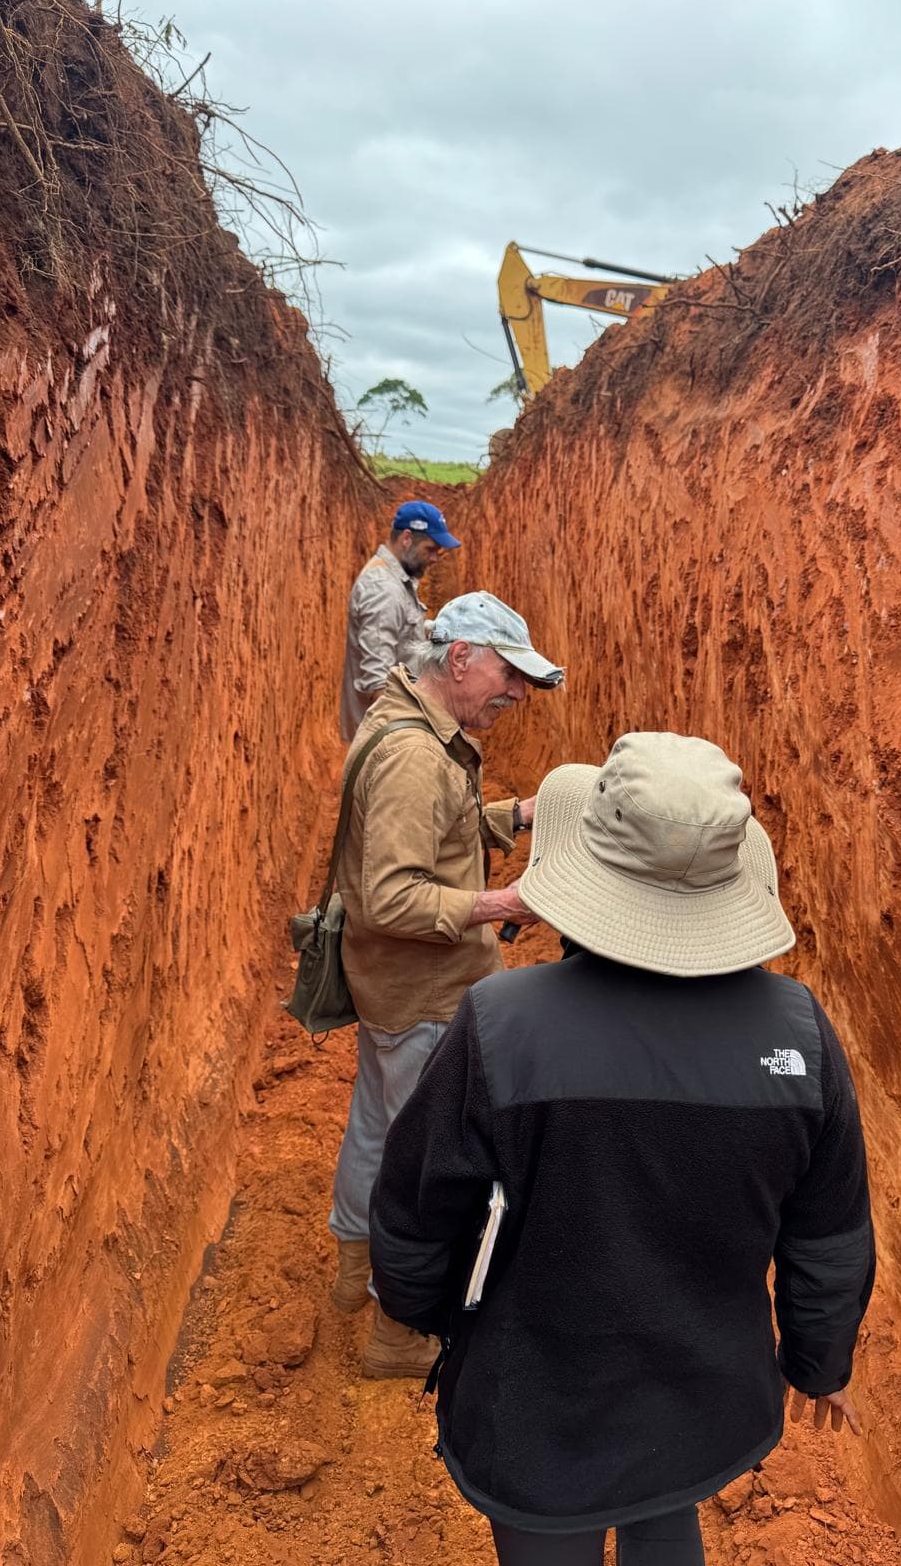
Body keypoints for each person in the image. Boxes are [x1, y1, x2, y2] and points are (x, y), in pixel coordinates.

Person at [370, 732, 875, 1564]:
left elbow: (417, 1211)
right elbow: (829, 1234)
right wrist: (819, 1362)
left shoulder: (502, 1026)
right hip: (702, 1406)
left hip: (535, 1414)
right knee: (665, 1511)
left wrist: (426, 1314)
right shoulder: (799, 1036)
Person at [330, 590, 565, 1379]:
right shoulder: (413, 756)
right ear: (460, 656)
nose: (518, 694)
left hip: (396, 990)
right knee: (422, 1165)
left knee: (377, 1127)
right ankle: (397, 1331)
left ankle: (351, 1272)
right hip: (425, 995)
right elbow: (391, 896)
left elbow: (442, 830)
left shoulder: (419, 724)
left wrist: (516, 815)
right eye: (509, 673)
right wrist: (505, 903)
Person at [340, 499, 460, 743]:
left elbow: (400, 632)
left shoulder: (394, 580)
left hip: (392, 730)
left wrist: (441, 630)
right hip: (386, 737)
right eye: (431, 549)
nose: (435, 558)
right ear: (407, 538)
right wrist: (400, 741)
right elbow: (377, 680)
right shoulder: (384, 589)